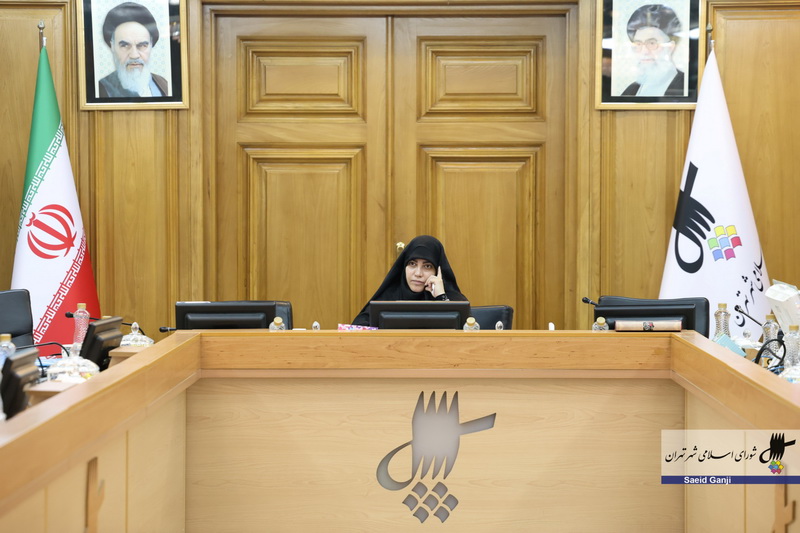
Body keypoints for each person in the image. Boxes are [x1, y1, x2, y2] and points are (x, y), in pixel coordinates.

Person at [351, 235, 467, 326]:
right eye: (412, 264)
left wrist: (441, 298)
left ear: (437, 271)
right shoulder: (389, 297)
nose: (418, 273)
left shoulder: (451, 299)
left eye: (427, 266)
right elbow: (359, 328)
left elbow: (467, 333)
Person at [98, 2, 168, 98]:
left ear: (151, 45)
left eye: (142, 45)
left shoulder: (163, 83)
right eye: (125, 45)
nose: (134, 55)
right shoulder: (101, 89)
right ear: (113, 46)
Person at [621, 4, 685, 97]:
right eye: (638, 44)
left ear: (670, 47)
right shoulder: (630, 91)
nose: (644, 51)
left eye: (651, 43)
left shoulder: (685, 86)